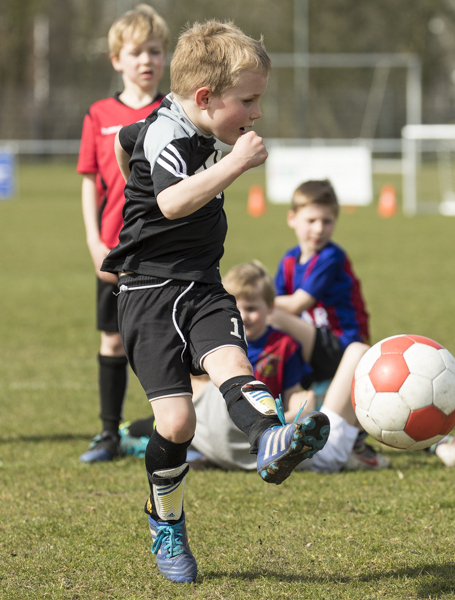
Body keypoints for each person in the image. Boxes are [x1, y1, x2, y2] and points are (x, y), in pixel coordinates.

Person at [102, 21, 330, 584]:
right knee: (176, 422)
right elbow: (174, 201)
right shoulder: (169, 134)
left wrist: (127, 149)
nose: (255, 115)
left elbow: (122, 140)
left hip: (203, 286)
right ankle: (166, 520)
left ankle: (271, 439)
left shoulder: (169, 127)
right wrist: (234, 164)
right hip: (147, 292)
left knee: (232, 364)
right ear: (204, 98)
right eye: (247, 102)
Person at [122, 261, 369, 474]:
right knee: (358, 352)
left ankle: (355, 442)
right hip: (296, 448)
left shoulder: (281, 346)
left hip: (254, 442)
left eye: (251, 308)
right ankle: (355, 443)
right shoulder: (219, 350)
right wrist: (301, 419)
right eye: (235, 308)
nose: (242, 315)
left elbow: (293, 396)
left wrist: (297, 415)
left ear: (270, 309)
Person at [75, 5, 168, 463]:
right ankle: (108, 434)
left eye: (155, 51)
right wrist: (94, 243)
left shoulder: (174, 111)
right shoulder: (99, 113)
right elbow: (90, 182)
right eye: (136, 52)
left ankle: (175, 431)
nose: (146, 60)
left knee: (169, 341)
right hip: (113, 249)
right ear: (117, 59)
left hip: (164, 249)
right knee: (112, 339)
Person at [268, 179, 390, 470]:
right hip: (312, 352)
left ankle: (352, 437)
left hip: (344, 348)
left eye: (327, 221)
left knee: (270, 316)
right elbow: (272, 300)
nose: (319, 228)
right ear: (292, 218)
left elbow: (296, 304)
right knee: (266, 327)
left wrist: (243, 297)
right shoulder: (288, 261)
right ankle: (351, 439)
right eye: (311, 220)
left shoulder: (331, 256)